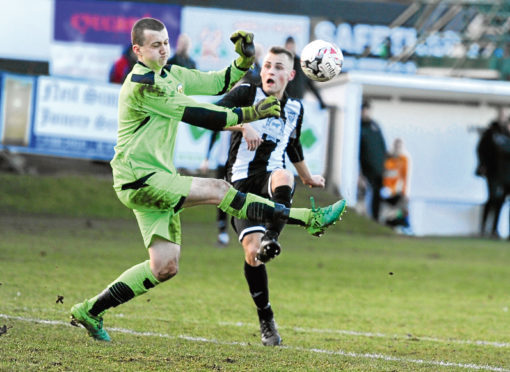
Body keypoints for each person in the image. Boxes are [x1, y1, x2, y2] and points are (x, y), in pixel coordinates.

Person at [69, 17, 346, 343]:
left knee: (164, 266)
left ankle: (90, 310)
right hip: (139, 178)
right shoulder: (145, 85)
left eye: (166, 43)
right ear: (137, 50)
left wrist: (243, 60)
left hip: (157, 178)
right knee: (219, 189)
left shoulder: (170, 73)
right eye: (155, 45)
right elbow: (205, 116)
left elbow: (217, 82)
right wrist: (251, 115)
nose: (163, 50)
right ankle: (307, 218)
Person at [215, 46, 328, 346]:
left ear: (290, 75)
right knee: (252, 257)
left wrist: (307, 176)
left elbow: (293, 145)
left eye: (278, 67)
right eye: (267, 66)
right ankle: (266, 317)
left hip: (270, 179)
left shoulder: (296, 109)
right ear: (261, 71)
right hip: (239, 184)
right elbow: (212, 116)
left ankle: (272, 237)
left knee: (283, 175)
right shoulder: (245, 94)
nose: (271, 72)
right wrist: (243, 124)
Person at [476, 109, 507, 237]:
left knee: (500, 201)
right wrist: (484, 164)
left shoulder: (505, 134)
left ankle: (494, 229)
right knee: (492, 199)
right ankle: (483, 229)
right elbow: (481, 149)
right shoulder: (491, 133)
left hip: (505, 174)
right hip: (493, 173)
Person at [200, 129, 232, 246]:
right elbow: (213, 134)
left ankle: (248, 229)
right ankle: (222, 234)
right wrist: (206, 158)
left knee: (240, 195)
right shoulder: (223, 118)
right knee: (222, 197)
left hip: (237, 164)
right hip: (222, 163)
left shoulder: (241, 119)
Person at [359, 100, 387, 222]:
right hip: (366, 171)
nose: (365, 113)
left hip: (379, 170)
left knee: (378, 197)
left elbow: (382, 146)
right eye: (363, 110)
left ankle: (376, 220)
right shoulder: (358, 127)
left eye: (367, 110)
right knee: (365, 196)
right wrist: (359, 174)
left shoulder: (375, 126)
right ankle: (365, 219)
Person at [283, 36, 326, 109]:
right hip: (283, 101)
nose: (290, 47)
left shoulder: (301, 64)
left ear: (294, 46)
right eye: (288, 45)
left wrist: (321, 101)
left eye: (291, 45)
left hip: (298, 101)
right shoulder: (281, 62)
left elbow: (310, 83)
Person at [381, 138, 411, 232]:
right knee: (387, 214)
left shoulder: (404, 160)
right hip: (386, 192)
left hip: (398, 192)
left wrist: (405, 192)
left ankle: (400, 225)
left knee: (402, 211)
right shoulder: (388, 159)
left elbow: (405, 177)